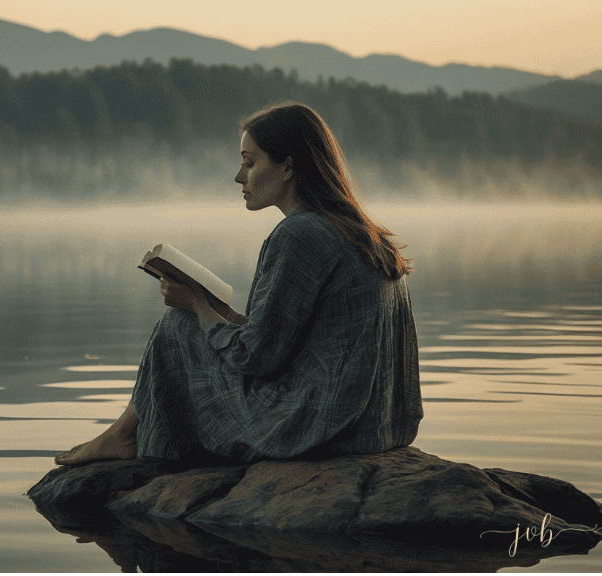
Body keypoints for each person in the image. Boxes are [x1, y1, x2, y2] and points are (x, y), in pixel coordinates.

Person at [55, 101, 422, 465]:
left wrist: (197, 307)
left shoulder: (298, 235)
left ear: (288, 167)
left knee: (176, 328)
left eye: (249, 162)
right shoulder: (365, 235)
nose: (238, 176)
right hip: (379, 426)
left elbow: (256, 358)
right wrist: (222, 314)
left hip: (320, 427)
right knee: (192, 325)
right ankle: (120, 435)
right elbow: (287, 344)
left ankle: (120, 437)